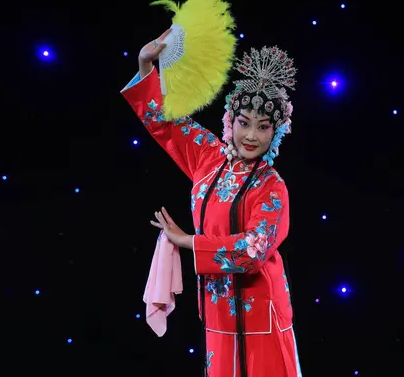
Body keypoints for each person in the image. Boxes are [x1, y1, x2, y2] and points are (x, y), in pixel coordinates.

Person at [120, 29, 302, 377]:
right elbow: (167, 125)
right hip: (218, 311)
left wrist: (187, 241)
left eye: (263, 127)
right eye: (244, 123)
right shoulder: (208, 156)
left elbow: (253, 250)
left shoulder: (271, 186)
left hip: (262, 312)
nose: (251, 136)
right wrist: (145, 66)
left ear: (275, 133)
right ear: (230, 122)